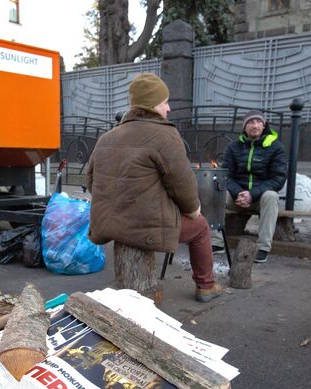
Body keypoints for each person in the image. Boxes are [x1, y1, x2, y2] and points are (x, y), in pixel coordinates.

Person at [86, 73, 222, 303]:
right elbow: (182, 184)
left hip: (107, 225)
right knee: (200, 226)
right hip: (144, 230)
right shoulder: (164, 134)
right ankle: (206, 286)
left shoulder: (107, 137)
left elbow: (91, 181)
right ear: (151, 105)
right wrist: (193, 210)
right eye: (164, 102)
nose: (168, 108)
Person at [223, 110, 287, 264]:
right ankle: (216, 242)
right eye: (251, 122)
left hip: (260, 198)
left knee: (271, 196)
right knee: (216, 193)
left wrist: (252, 194)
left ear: (264, 126)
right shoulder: (233, 147)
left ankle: (263, 247)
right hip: (237, 198)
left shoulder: (276, 147)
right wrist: (239, 193)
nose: (255, 125)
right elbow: (225, 176)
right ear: (244, 127)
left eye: (259, 122)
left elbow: (278, 178)